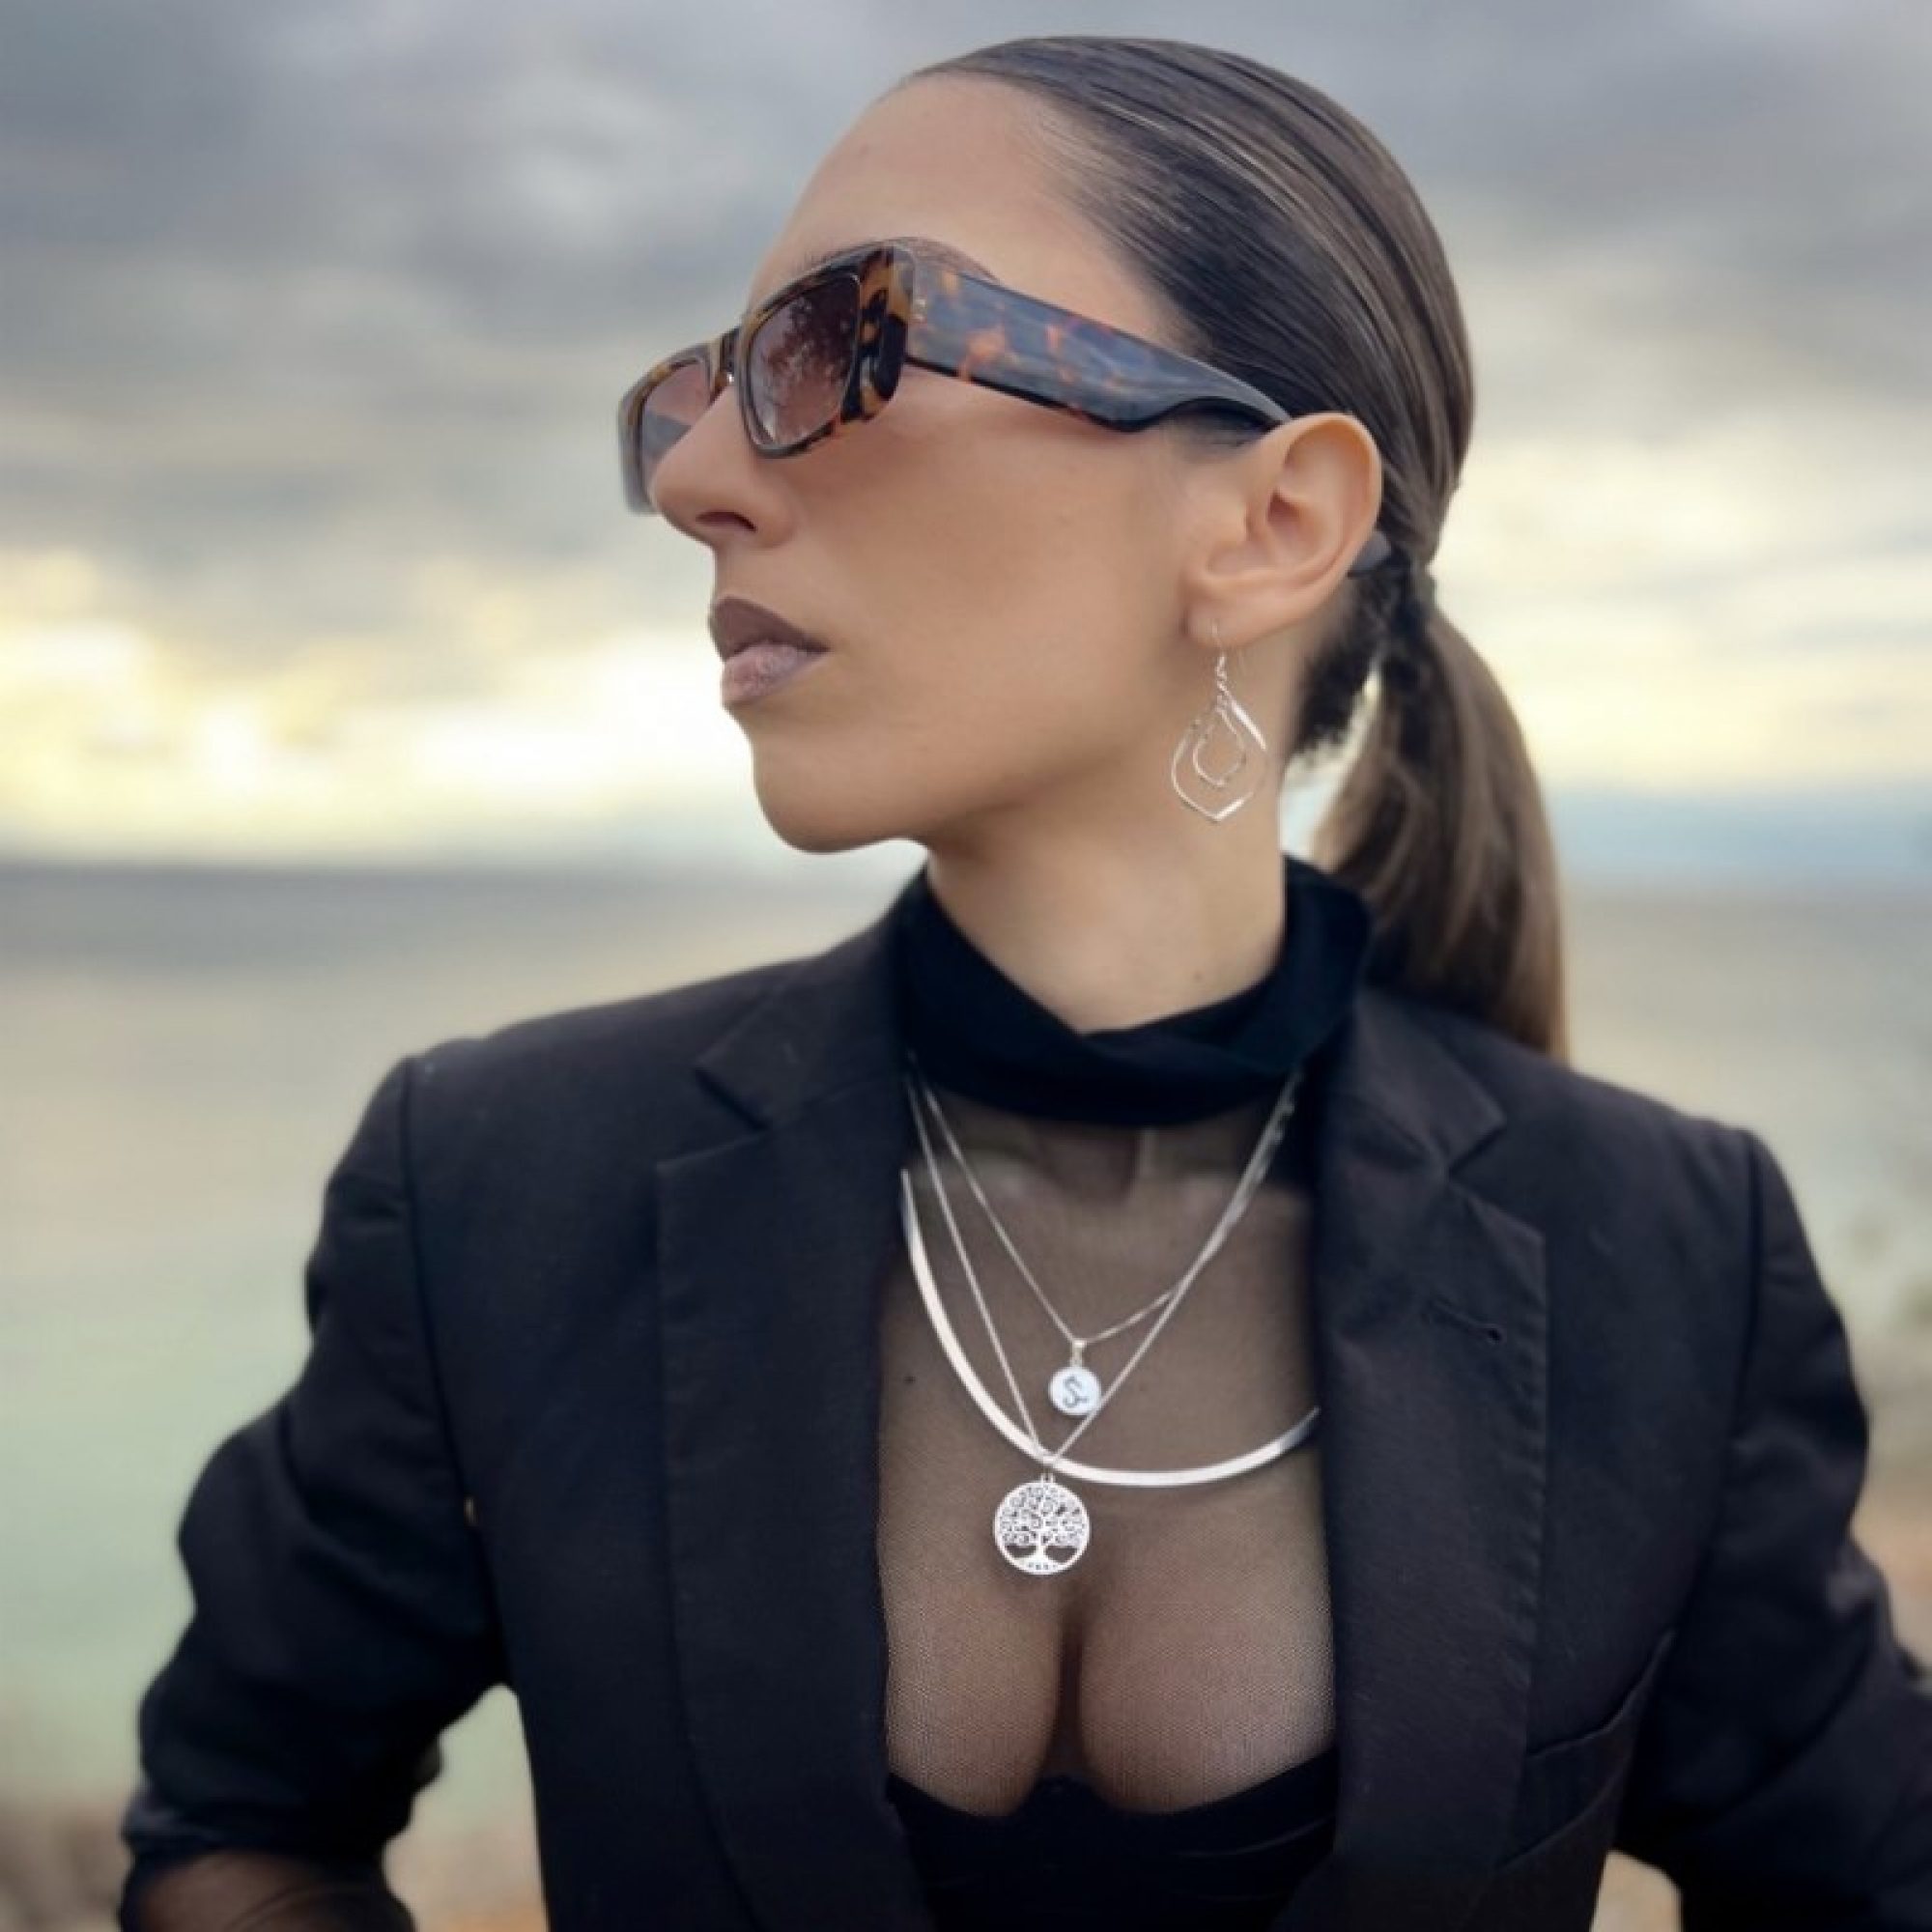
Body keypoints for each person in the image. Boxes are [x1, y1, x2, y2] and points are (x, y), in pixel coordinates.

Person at [116, 33, 1932, 1932]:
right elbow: (241, 1821)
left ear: (1270, 524)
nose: (698, 478)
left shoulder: (1661, 1253)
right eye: (698, 390)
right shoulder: (499, 1182)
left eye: (850, 341)